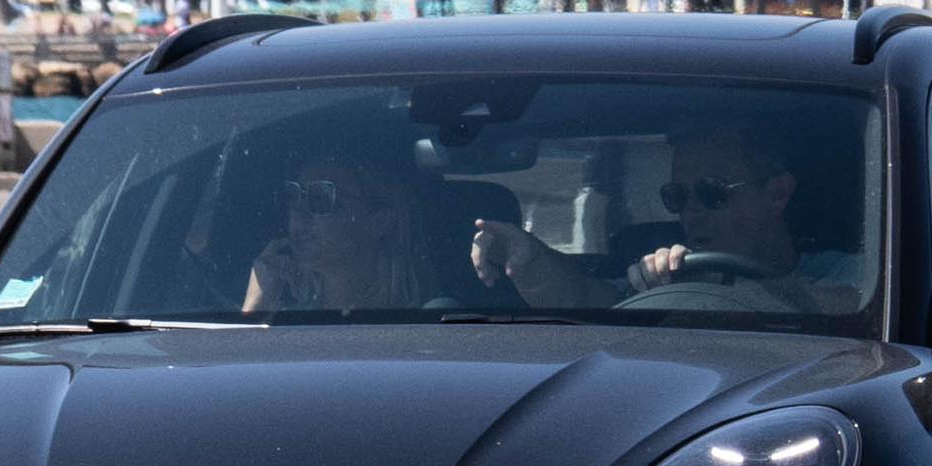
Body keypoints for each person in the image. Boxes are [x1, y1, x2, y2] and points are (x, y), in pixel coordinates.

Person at [468, 127, 849, 310]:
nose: (691, 210)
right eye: (677, 196)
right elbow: (584, 299)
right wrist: (529, 255)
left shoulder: (848, 272)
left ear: (778, 193)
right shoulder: (669, 274)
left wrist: (723, 284)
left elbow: (850, 308)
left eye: (712, 191)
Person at [245, 149, 423, 313]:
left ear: (381, 222)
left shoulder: (422, 327)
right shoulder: (282, 323)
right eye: (294, 195)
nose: (298, 211)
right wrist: (258, 306)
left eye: (321, 197)